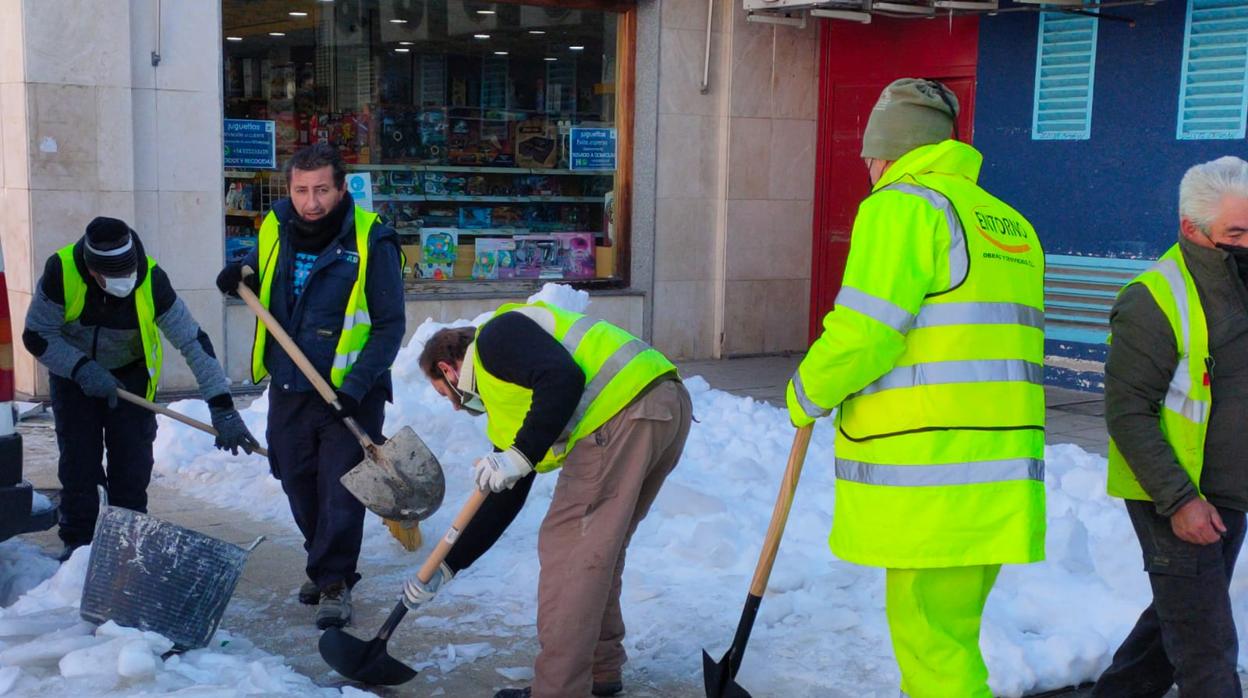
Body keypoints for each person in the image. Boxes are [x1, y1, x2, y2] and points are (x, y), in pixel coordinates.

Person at [785, 78, 1046, 697]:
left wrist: (805, 392)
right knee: (950, 643)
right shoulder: (1006, 222)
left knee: (934, 654)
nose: (868, 170)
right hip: (997, 480)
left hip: (932, 478)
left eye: (870, 158)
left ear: (890, 151)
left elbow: (865, 333)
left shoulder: (903, 206)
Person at [408, 303, 691, 698]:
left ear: (448, 369)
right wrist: (449, 565)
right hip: (661, 404)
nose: (456, 406)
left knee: (567, 554)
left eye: (446, 395)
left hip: (621, 410)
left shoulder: (495, 338)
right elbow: (502, 500)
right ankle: (599, 669)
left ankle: (558, 690)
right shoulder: (510, 395)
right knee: (596, 552)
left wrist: (520, 455)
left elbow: (562, 377)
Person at [215, 143, 405, 629]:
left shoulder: (372, 240)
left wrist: (357, 385)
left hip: (348, 394)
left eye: (322, 189)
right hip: (290, 384)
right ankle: (324, 565)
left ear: (342, 189)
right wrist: (241, 274)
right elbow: (262, 273)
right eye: (301, 190)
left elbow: (388, 326)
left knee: (342, 490)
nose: (311, 201)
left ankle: (335, 581)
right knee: (295, 478)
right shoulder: (275, 225)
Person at [1093, 156, 1248, 697]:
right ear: (1192, 228)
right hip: (1175, 496)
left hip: (1229, 493)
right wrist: (1180, 501)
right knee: (1207, 651)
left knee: (1173, 624)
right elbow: (1127, 412)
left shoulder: (1241, 280)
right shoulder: (1153, 299)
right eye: (1237, 232)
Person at [23, 217, 257, 561]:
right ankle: (80, 545)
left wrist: (222, 408)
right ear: (91, 270)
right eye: (111, 278)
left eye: (126, 273)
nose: (123, 283)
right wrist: (82, 369)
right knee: (79, 464)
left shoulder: (151, 279)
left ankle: (127, 543)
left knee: (131, 467)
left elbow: (194, 342)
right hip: (75, 377)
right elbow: (36, 335)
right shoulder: (62, 271)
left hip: (131, 378)